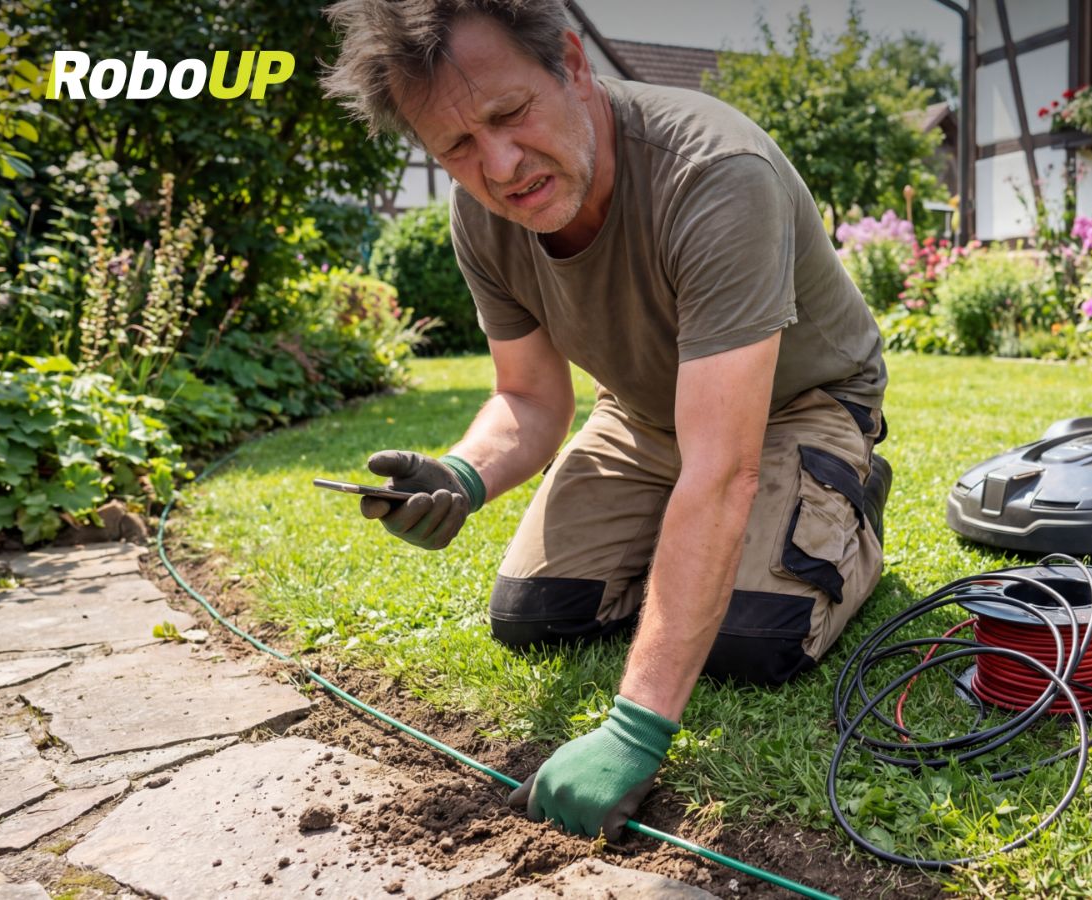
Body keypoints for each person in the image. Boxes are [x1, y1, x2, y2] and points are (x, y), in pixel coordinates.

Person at [322, 0, 891, 839]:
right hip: (644, 412)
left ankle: (850, 500)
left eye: (509, 114)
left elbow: (721, 467)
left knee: (751, 638)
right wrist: (461, 475)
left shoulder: (716, 171)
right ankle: (707, 540)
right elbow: (528, 397)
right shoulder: (482, 216)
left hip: (797, 406)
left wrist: (636, 728)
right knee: (531, 613)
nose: (502, 165)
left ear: (574, 65)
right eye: (458, 148)